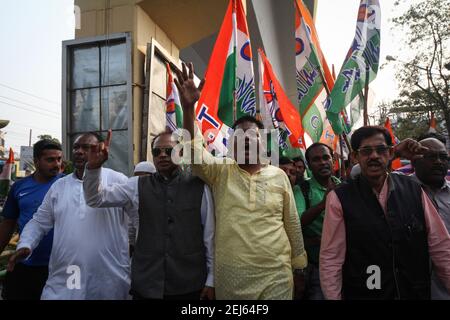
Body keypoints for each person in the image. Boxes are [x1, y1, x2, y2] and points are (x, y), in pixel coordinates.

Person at [176, 62, 307, 300]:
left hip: (276, 277)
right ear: (231, 144)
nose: (246, 140)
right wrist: (188, 109)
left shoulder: (278, 176)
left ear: (262, 143)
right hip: (231, 280)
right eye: (239, 136)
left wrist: (299, 267)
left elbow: (292, 223)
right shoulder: (220, 172)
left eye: (252, 136)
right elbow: (193, 152)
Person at [320, 126, 450, 300]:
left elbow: (440, 245)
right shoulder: (339, 198)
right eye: (366, 151)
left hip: (413, 292)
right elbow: (331, 258)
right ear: (355, 157)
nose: (374, 156)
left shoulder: (414, 190)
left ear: (390, 153)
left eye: (381, 150)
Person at [83, 130, 215, 300]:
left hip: (188, 284)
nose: (162, 155)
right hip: (146, 283)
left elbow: (209, 236)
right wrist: (94, 168)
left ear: (180, 153)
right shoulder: (136, 185)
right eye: (156, 152)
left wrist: (211, 279)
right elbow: (95, 199)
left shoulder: (199, 187)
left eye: (168, 151)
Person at [7, 132, 131, 300]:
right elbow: (38, 222)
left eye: (86, 147)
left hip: (108, 278)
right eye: (76, 147)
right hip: (65, 277)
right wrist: (26, 243)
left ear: (101, 151)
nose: (79, 151)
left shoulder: (119, 181)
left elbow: (138, 223)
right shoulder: (59, 186)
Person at [0, 139, 63, 300]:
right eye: (50, 159)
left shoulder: (67, 185)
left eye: (59, 159)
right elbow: (8, 224)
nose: (56, 164)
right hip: (24, 263)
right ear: (36, 161)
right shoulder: (19, 187)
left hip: (59, 266)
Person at [294, 143, 340, 300]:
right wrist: (323, 204)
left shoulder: (343, 186)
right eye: (316, 159)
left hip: (344, 264)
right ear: (309, 165)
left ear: (333, 160)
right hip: (316, 267)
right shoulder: (302, 189)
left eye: (326, 157)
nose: (322, 162)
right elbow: (297, 223)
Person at [411, 137, 450, 299]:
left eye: (443, 157)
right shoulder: (398, 189)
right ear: (414, 161)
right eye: (431, 157)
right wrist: (396, 152)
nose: (439, 162)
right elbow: (358, 172)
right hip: (413, 284)